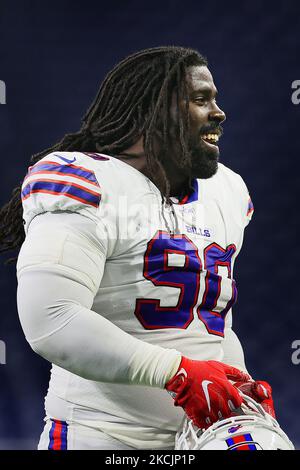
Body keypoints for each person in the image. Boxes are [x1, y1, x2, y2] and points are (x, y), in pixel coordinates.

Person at [0, 46, 275, 450]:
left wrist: (235, 383)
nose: (219, 113)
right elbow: (51, 321)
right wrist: (178, 372)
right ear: (156, 111)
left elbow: (207, 323)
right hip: (102, 436)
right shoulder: (89, 181)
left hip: (196, 437)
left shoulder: (226, 191)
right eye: (201, 100)